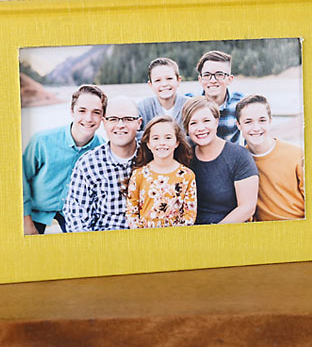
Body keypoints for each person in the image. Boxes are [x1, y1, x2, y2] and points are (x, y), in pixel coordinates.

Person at [21, 84, 107, 235]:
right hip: (35, 211)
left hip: (73, 214)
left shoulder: (102, 150)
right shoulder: (42, 141)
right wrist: (26, 221)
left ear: (102, 117)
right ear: (72, 111)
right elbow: (21, 180)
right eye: (82, 111)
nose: (88, 118)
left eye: (96, 112)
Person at [63, 97, 141, 232]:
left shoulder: (152, 158)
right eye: (113, 119)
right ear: (104, 123)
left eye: (128, 119)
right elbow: (76, 216)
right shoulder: (88, 163)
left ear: (139, 123)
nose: (120, 125)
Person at [181, 96, 259, 225]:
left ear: (216, 122)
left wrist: (214, 233)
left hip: (227, 230)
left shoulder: (239, 156)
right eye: (193, 123)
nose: (201, 128)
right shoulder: (184, 155)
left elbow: (247, 208)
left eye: (206, 121)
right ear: (187, 128)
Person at [236, 94, 305, 221]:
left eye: (262, 120)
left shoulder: (296, 154)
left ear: (270, 121)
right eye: (248, 122)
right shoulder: (239, 160)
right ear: (238, 125)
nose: (256, 128)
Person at [126, 115, 197, 228]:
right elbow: (131, 212)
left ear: (177, 142)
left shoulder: (187, 176)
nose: (162, 143)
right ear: (148, 143)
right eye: (156, 138)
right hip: (144, 238)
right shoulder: (139, 175)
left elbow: (189, 214)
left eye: (168, 138)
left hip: (176, 238)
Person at [191, 50, 244, 142]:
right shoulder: (189, 102)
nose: (212, 80)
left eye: (219, 74)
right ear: (200, 80)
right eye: (207, 75)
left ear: (229, 79)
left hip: (230, 155)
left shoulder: (241, 103)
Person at [137, 57, 187, 128]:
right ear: (150, 85)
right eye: (158, 80)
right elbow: (134, 133)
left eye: (169, 78)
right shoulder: (143, 108)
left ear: (178, 81)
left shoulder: (189, 106)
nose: (164, 84)